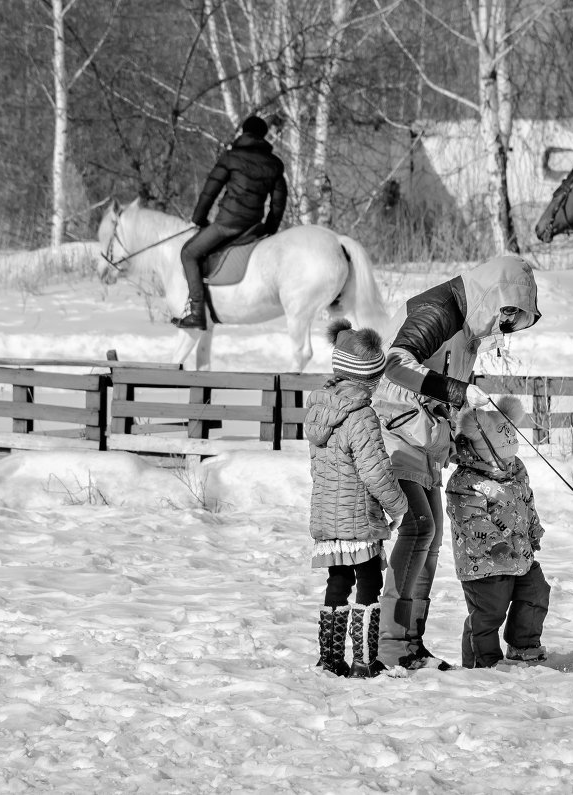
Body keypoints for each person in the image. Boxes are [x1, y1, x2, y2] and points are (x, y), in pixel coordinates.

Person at [372, 254, 541, 671]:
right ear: (498, 298)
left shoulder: (466, 327)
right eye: (508, 319)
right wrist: (455, 390)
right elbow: (395, 364)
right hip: (396, 432)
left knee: (431, 538)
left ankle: (412, 642)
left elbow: (446, 384)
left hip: (426, 438)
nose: (503, 331)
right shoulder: (438, 310)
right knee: (418, 528)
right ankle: (391, 643)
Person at [306, 320, 409, 679]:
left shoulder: (320, 409)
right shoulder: (361, 416)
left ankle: (330, 659)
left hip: (327, 515)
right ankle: (365, 661)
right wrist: (399, 508)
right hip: (358, 516)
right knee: (368, 579)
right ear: (369, 379)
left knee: (338, 580)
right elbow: (375, 472)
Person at [446, 396, 550, 668]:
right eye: (503, 455)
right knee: (488, 613)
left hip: (519, 553)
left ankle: (523, 645)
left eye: (511, 453)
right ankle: (483, 661)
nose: (509, 460)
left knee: (536, 593)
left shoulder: (515, 469)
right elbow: (470, 518)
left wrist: (534, 529)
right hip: (484, 562)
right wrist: (495, 544)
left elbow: (525, 500)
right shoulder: (467, 481)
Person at [174, 114, 289, 330]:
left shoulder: (231, 157)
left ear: (244, 132)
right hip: (253, 227)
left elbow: (210, 190)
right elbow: (278, 203)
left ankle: (197, 311)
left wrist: (199, 219)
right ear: (263, 136)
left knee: (188, 253)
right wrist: (270, 229)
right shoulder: (274, 164)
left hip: (227, 224)